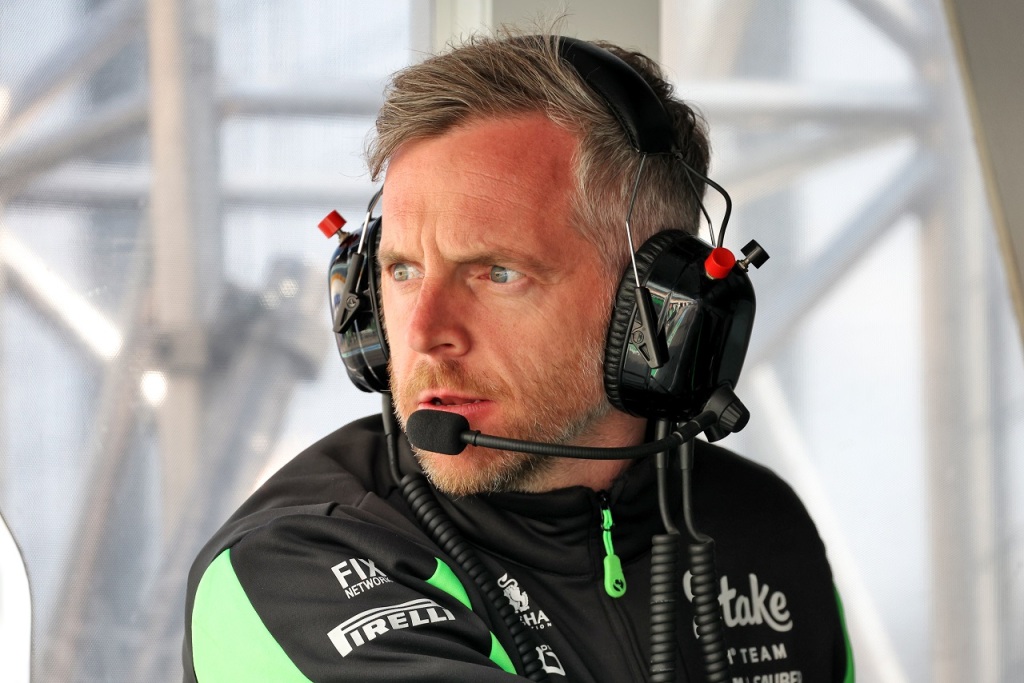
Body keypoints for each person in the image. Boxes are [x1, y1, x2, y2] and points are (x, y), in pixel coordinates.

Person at [183, 29, 854, 683]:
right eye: (402, 271)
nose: (423, 333)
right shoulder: (290, 570)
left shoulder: (763, 527)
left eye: (497, 273)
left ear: (657, 306)